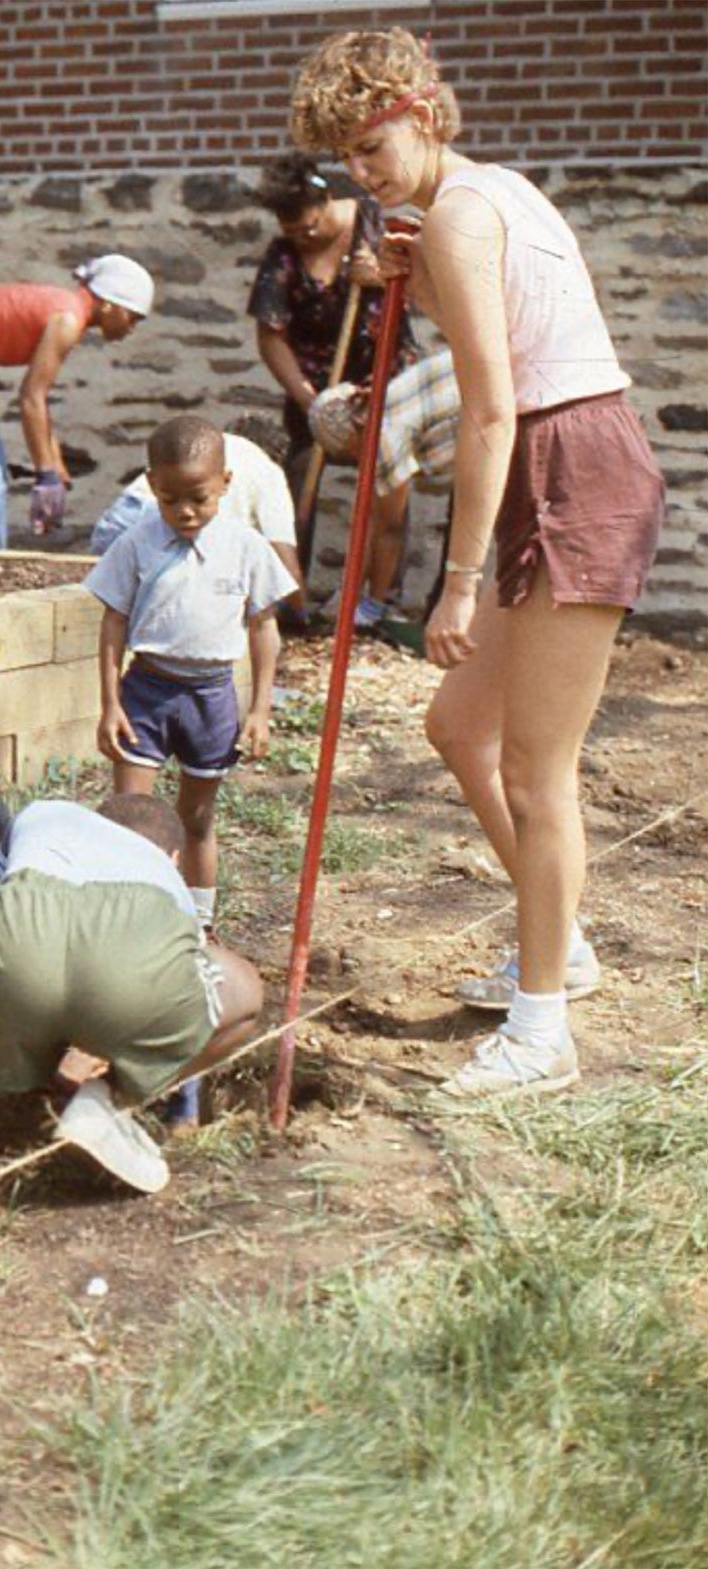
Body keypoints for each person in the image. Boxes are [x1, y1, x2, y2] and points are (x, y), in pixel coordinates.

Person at [291, 29, 665, 1098]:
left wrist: (454, 581)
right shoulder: (484, 195)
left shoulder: (458, 212)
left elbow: (494, 405)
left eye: (370, 148)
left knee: (534, 770)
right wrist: (418, 273)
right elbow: (499, 342)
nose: (363, 177)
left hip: (571, 463)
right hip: (566, 453)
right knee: (459, 727)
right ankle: (566, 942)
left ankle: (543, 1030)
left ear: (419, 109)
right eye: (349, 161)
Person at [0, 794, 264, 1223]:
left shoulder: (46, 815)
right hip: (135, 971)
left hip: (19, 936)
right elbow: (181, 1013)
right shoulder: (173, 891)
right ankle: (107, 1106)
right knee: (244, 993)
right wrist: (149, 1087)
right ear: (173, 858)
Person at [85, 415, 297, 935]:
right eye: (170, 498)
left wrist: (261, 709)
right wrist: (111, 703)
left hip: (211, 698)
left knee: (197, 819)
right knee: (131, 818)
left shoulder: (247, 547)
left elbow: (264, 627)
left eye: (199, 498)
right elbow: (113, 624)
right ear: (152, 484)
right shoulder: (136, 543)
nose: (185, 511)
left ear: (225, 483)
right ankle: (126, 923)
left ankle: (198, 926)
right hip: (147, 692)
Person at [0, 255, 155, 548]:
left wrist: (55, 466)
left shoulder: (68, 311)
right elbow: (30, 398)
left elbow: (39, 399)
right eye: (132, 317)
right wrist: (45, 474)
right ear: (109, 303)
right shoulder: (68, 319)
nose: (131, 328)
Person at [247, 151, 416, 577]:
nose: (304, 236)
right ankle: (289, 594)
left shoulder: (371, 224)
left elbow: (423, 283)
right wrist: (309, 400)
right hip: (313, 385)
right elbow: (271, 336)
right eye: (293, 231)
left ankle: (380, 603)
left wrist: (381, 276)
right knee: (297, 480)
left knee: (388, 485)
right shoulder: (283, 255)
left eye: (311, 226)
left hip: (381, 379)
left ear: (324, 204)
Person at [307, 347, 460, 632]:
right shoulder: (379, 402)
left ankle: (380, 607)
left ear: (350, 437)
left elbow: (389, 528)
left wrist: (369, 607)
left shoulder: (383, 435)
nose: (356, 462)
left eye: (350, 454)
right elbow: (370, 519)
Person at [90, 423, 306, 620]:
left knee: (108, 614)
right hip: (161, 528)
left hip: (121, 517)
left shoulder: (203, 447)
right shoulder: (268, 470)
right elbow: (284, 558)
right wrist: (301, 614)